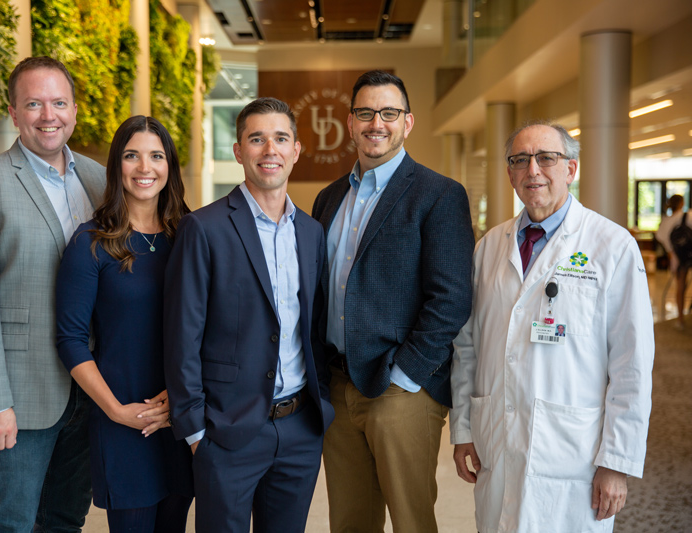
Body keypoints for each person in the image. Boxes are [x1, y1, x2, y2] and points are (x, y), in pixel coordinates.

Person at [451, 121, 654, 533]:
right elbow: (467, 345)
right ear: (509, 173)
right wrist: (464, 428)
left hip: (573, 453)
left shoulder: (610, 246)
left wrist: (617, 462)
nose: (533, 170)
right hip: (498, 442)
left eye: (546, 158)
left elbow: (632, 365)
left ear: (571, 169)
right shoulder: (489, 247)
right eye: (520, 160)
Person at [0, 56, 106, 531]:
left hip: (90, 390)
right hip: (18, 397)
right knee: (12, 524)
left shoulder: (101, 180)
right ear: (14, 112)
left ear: (75, 110)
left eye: (58, 102)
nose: (48, 115)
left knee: (64, 521)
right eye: (33, 103)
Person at [311, 70, 475, 532]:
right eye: (365, 112)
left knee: (410, 521)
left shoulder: (439, 194)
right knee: (349, 522)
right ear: (350, 122)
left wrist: (405, 377)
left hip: (400, 389)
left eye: (388, 112)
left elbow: (451, 298)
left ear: (408, 122)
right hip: (339, 386)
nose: (376, 122)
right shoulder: (329, 198)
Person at [163, 97, 334, 533]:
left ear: (296, 150)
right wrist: (197, 432)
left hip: (298, 428)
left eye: (280, 138)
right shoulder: (204, 228)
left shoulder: (311, 233)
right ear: (239, 151)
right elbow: (182, 335)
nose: (269, 150)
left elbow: (313, 330)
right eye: (257, 139)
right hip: (226, 431)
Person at [55, 116, 193, 532]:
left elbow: (210, 326)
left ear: (170, 165)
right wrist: (116, 412)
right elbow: (70, 338)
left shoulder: (190, 235)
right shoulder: (90, 242)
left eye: (156, 156)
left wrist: (179, 398)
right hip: (121, 418)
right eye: (132, 156)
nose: (144, 167)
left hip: (178, 416)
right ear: (117, 165)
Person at [656, 193, 690, 330]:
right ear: (681, 203)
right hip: (689, 255)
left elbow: (660, 237)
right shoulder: (687, 216)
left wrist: (671, 252)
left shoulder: (666, 220)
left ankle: (680, 319)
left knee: (680, 287)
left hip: (676, 257)